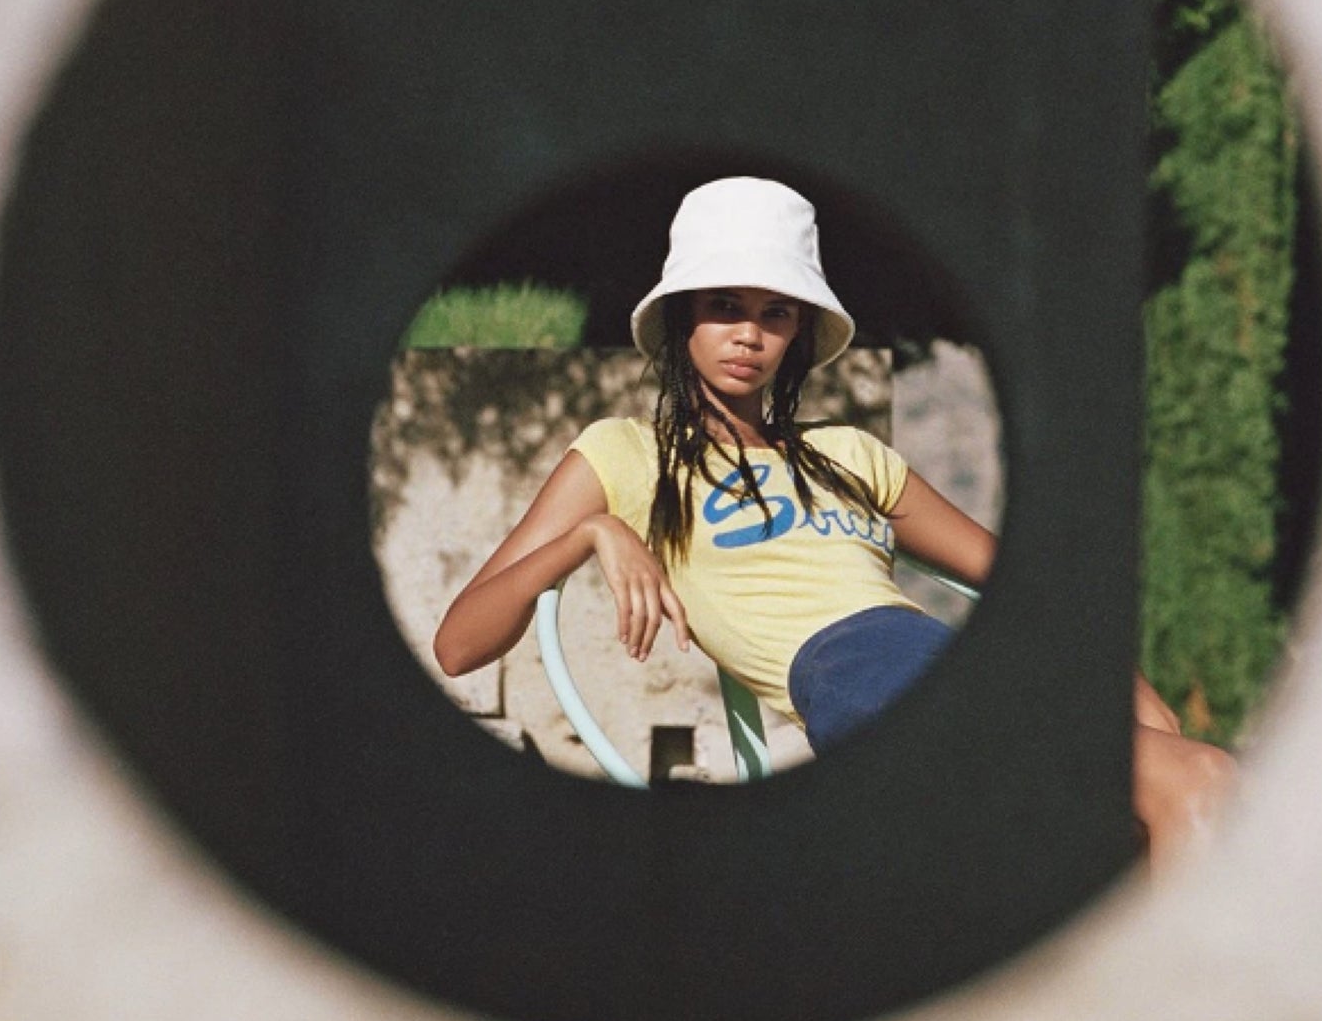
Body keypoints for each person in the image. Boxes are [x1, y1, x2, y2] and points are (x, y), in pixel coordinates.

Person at [434, 176, 1235, 863]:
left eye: (775, 313)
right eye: (723, 306)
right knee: (1197, 787)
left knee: (1180, 805)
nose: (749, 334)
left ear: (797, 332)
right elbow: (458, 643)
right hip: (856, 682)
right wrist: (592, 534)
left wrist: (1130, 692)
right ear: (682, 318)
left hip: (945, 661)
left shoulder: (848, 453)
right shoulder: (626, 455)